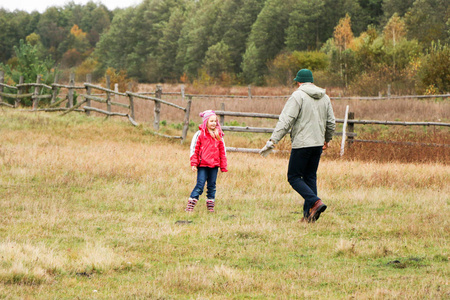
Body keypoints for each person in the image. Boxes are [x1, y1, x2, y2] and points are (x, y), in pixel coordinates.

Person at [259, 69, 335, 223]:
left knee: (293, 177)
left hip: (302, 144)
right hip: (317, 144)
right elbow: (331, 122)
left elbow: (285, 120)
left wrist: (273, 140)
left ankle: (315, 202)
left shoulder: (297, 96)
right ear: (312, 81)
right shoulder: (325, 97)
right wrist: (326, 139)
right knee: (310, 177)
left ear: (299, 82)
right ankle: (309, 217)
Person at [186, 110, 228, 212]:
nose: (213, 123)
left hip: (214, 165)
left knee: (212, 186)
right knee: (200, 185)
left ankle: (210, 208)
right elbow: (194, 149)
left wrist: (223, 166)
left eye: (215, 121)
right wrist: (194, 163)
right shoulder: (200, 134)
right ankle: (190, 206)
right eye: (211, 121)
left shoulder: (219, 135)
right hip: (202, 165)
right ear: (206, 122)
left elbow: (222, 151)